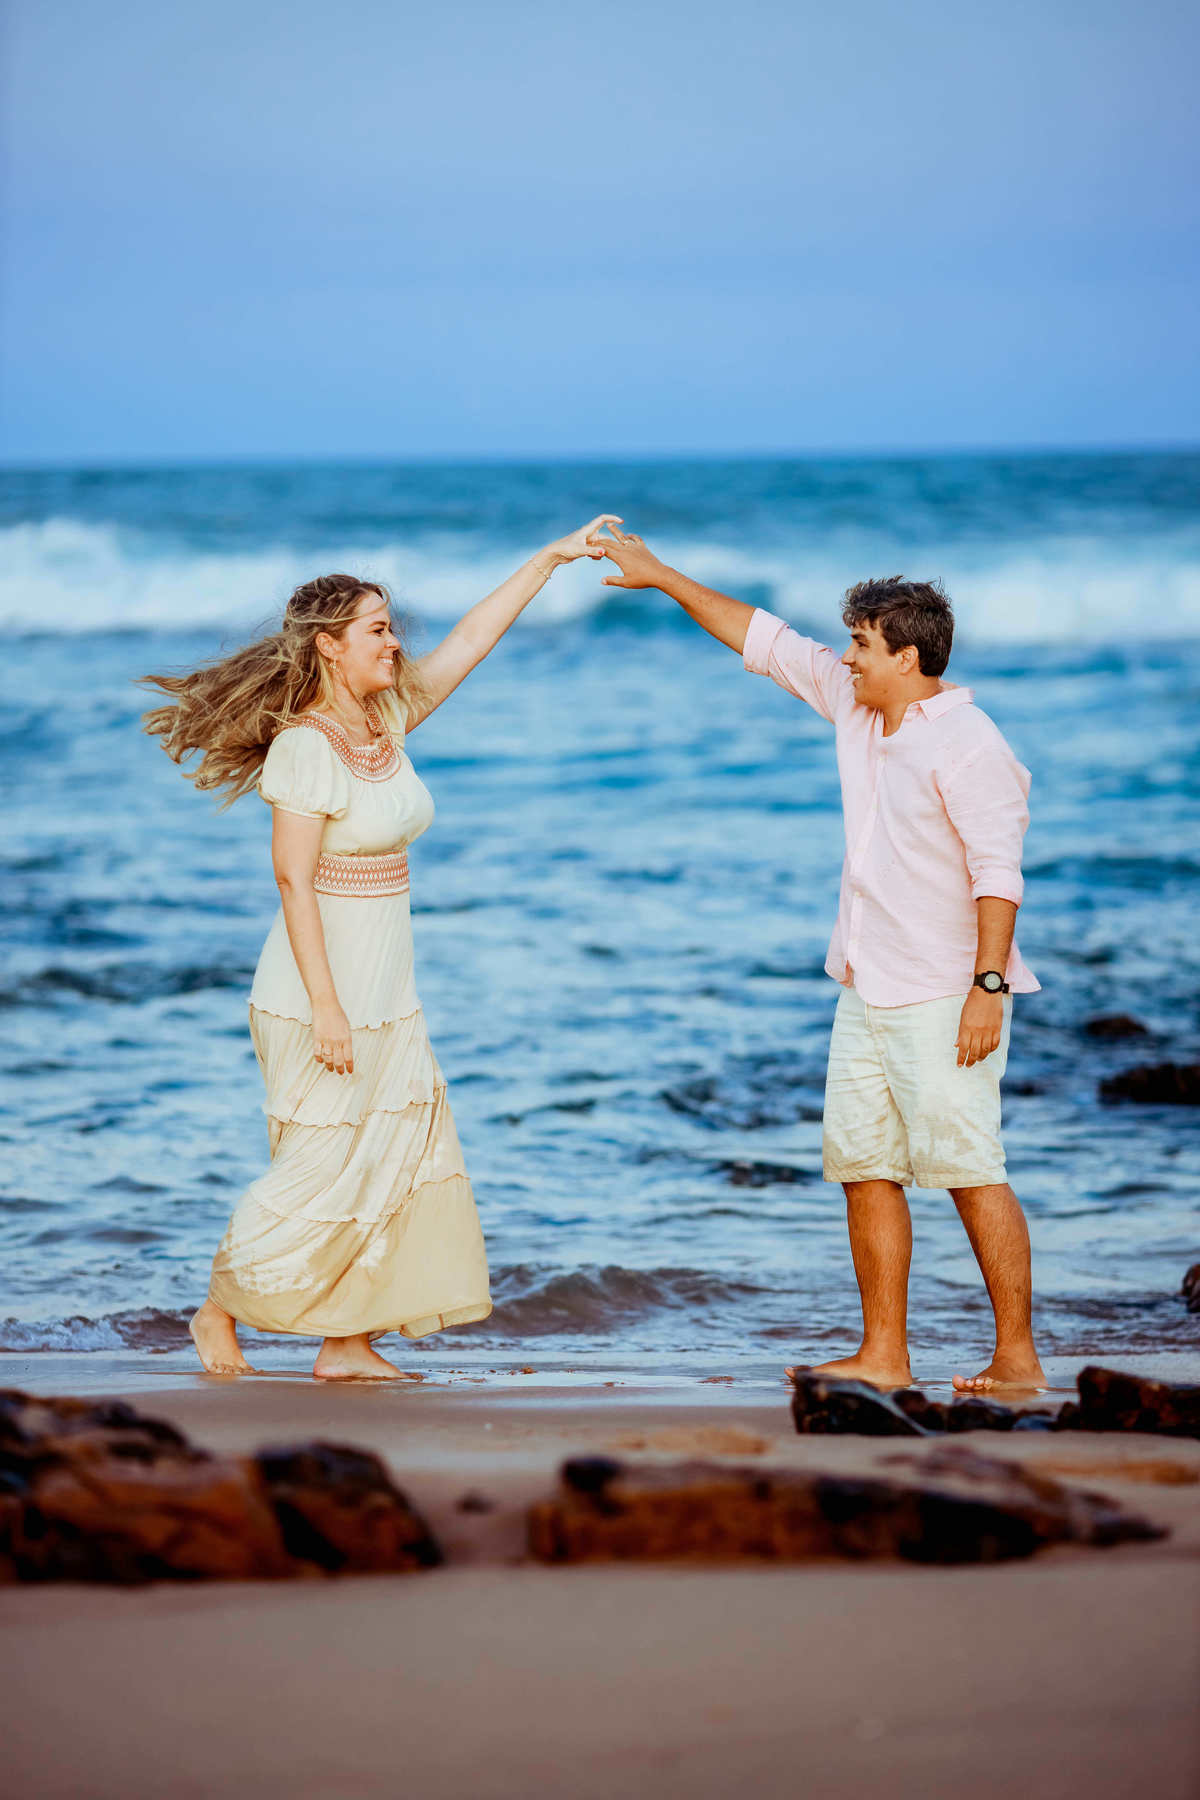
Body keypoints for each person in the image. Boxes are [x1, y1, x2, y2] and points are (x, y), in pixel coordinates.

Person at [142, 516, 619, 1379]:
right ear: (329, 646)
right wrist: (328, 1008)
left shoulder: (384, 722)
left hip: (388, 990)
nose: (394, 643)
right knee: (318, 1167)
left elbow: (472, 640)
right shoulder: (305, 746)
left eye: (392, 627)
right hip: (315, 992)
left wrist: (551, 558)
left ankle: (346, 1344)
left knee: (388, 1161)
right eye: (377, 629)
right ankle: (217, 1312)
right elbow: (292, 881)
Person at [596, 525, 1046, 1393]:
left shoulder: (971, 742)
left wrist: (988, 988)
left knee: (968, 1171)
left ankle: (1017, 1357)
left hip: (944, 993)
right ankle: (884, 1355)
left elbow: (999, 874)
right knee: (864, 1169)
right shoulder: (856, 706)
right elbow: (761, 637)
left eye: (862, 645)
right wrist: (661, 577)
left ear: (907, 658)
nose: (846, 658)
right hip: (865, 985)